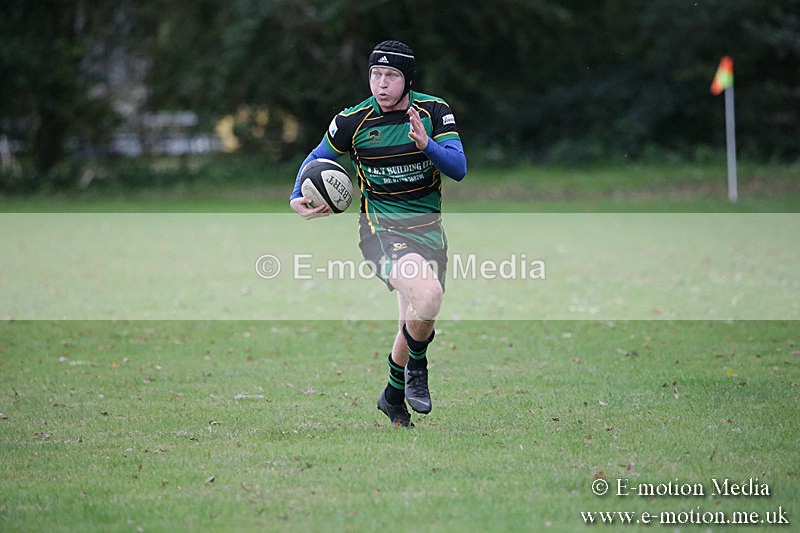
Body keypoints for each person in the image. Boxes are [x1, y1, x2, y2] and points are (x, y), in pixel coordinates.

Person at [290, 40, 467, 427]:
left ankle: (391, 396)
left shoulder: (434, 112)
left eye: (390, 76)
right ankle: (417, 369)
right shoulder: (352, 121)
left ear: (407, 81)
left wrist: (426, 145)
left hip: (430, 232)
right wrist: (294, 195)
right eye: (375, 74)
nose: (381, 84)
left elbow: (458, 167)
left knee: (417, 315)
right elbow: (315, 158)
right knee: (429, 296)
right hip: (381, 230)